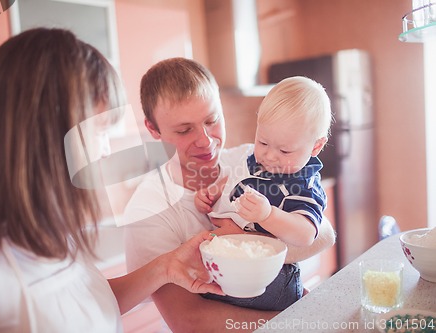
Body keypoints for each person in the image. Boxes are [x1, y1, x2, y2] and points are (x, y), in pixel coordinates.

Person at [0, 28, 223, 333]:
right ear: (44, 127)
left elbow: (84, 301)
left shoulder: (39, 216)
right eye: (98, 129)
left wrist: (165, 267)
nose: (105, 150)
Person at [124, 57, 336, 332]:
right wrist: (294, 322)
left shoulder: (253, 158)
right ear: (153, 129)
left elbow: (324, 234)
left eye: (212, 120)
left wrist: (247, 242)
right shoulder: (148, 210)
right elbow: (190, 321)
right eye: (185, 130)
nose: (205, 140)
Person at [194, 75, 332, 311]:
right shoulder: (256, 160)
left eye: (285, 150)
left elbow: (306, 234)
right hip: (236, 268)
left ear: (315, 146)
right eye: (263, 142)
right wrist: (215, 190)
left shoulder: (302, 184)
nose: (269, 156)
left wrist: (268, 216)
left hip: (273, 279)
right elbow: (239, 177)